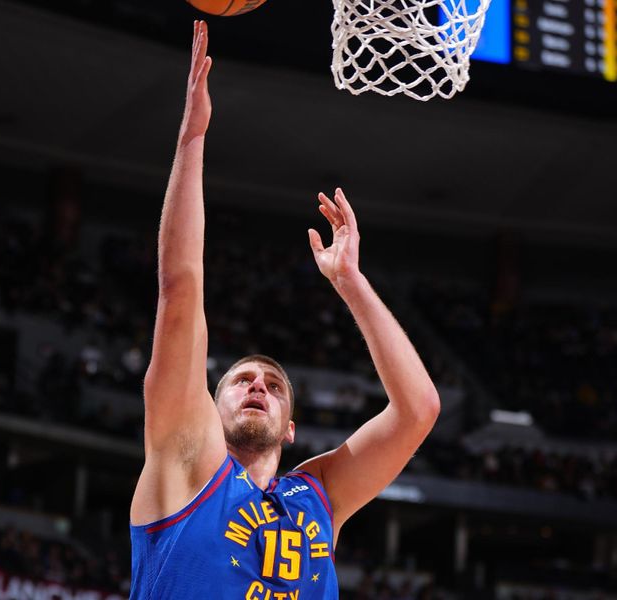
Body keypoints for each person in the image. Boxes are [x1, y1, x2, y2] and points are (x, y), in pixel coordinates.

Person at [129, 21, 440, 600]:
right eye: (242, 379)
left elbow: (418, 409)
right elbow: (180, 291)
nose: (257, 386)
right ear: (208, 406)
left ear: (291, 429)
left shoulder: (319, 495)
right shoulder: (185, 460)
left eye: (273, 385)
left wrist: (350, 281)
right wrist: (192, 137)